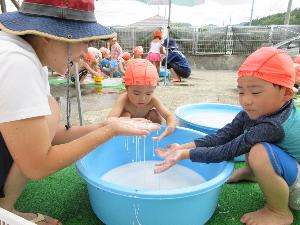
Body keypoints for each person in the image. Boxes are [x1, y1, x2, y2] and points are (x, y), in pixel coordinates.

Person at [0, 1, 160, 224]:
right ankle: (4, 213)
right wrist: (109, 132)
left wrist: (103, 126)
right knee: (51, 108)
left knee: (50, 109)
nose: (85, 53)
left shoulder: (31, 55)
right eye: (83, 40)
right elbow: (36, 165)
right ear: (48, 34)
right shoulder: (15, 60)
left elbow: (51, 134)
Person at [155, 47, 300, 225]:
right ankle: (251, 172)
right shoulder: (258, 110)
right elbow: (223, 136)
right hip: (289, 167)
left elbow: (227, 150)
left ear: (286, 94)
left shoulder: (273, 125)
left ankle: (278, 211)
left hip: (298, 190)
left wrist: (185, 155)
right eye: (241, 91)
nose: (246, 100)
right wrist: (182, 147)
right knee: (252, 141)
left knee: (259, 151)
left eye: (255, 92)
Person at [108, 59, 176, 140]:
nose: (143, 99)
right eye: (136, 93)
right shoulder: (123, 99)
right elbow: (110, 119)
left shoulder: (153, 100)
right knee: (126, 115)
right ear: (126, 88)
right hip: (127, 131)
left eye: (148, 93)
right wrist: (125, 123)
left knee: (155, 114)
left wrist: (170, 127)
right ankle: (125, 139)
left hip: (146, 128)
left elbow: (169, 116)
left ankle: (151, 137)